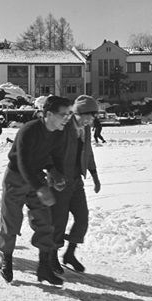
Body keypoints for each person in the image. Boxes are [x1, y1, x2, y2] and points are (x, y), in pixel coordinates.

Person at [0, 96, 70, 285]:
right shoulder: (29, 130)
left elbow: (56, 156)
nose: (66, 118)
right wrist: (40, 187)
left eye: (68, 114)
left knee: (44, 221)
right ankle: (7, 258)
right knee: (11, 220)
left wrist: (57, 176)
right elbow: (23, 161)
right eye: (63, 114)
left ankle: (44, 266)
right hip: (16, 176)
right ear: (49, 114)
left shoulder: (60, 132)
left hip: (37, 177)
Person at [47, 95, 101, 275]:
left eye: (93, 117)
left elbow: (88, 153)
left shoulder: (84, 130)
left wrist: (94, 174)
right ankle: (52, 255)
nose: (91, 120)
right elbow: (46, 153)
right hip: (59, 182)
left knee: (82, 218)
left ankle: (69, 253)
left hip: (76, 181)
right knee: (58, 221)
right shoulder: (62, 127)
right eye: (89, 116)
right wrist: (53, 174)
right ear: (78, 113)